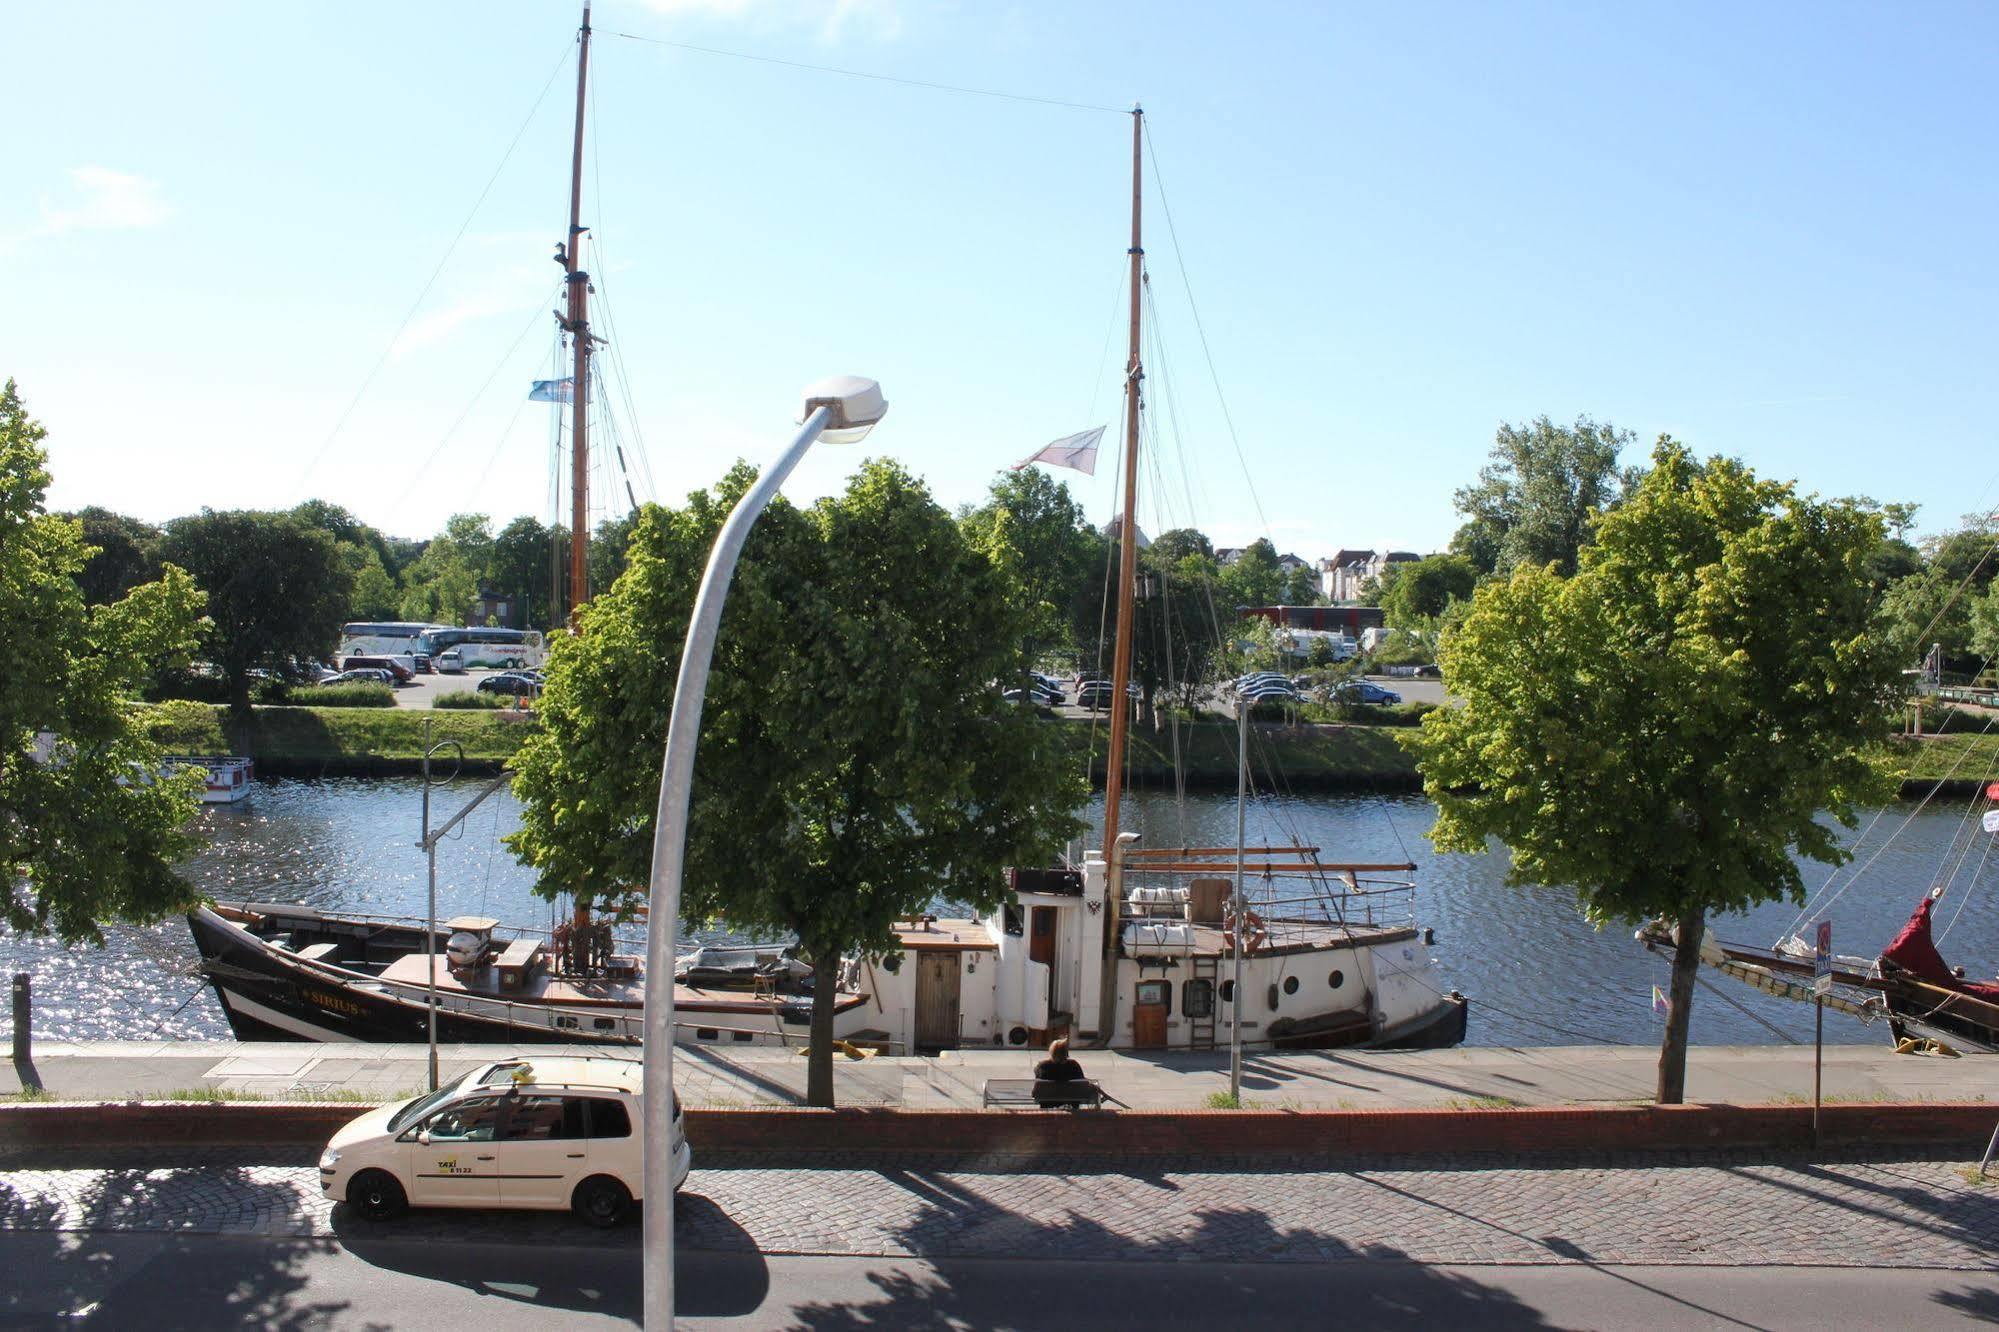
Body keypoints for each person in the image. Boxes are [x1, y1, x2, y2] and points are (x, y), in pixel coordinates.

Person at [1032, 1038, 1088, 1108]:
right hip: (1071, 1099)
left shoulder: (1043, 1066)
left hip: (1048, 1101)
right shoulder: (1073, 1065)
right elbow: (1081, 1082)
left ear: (1052, 1052)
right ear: (1066, 1052)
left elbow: (1037, 1088)